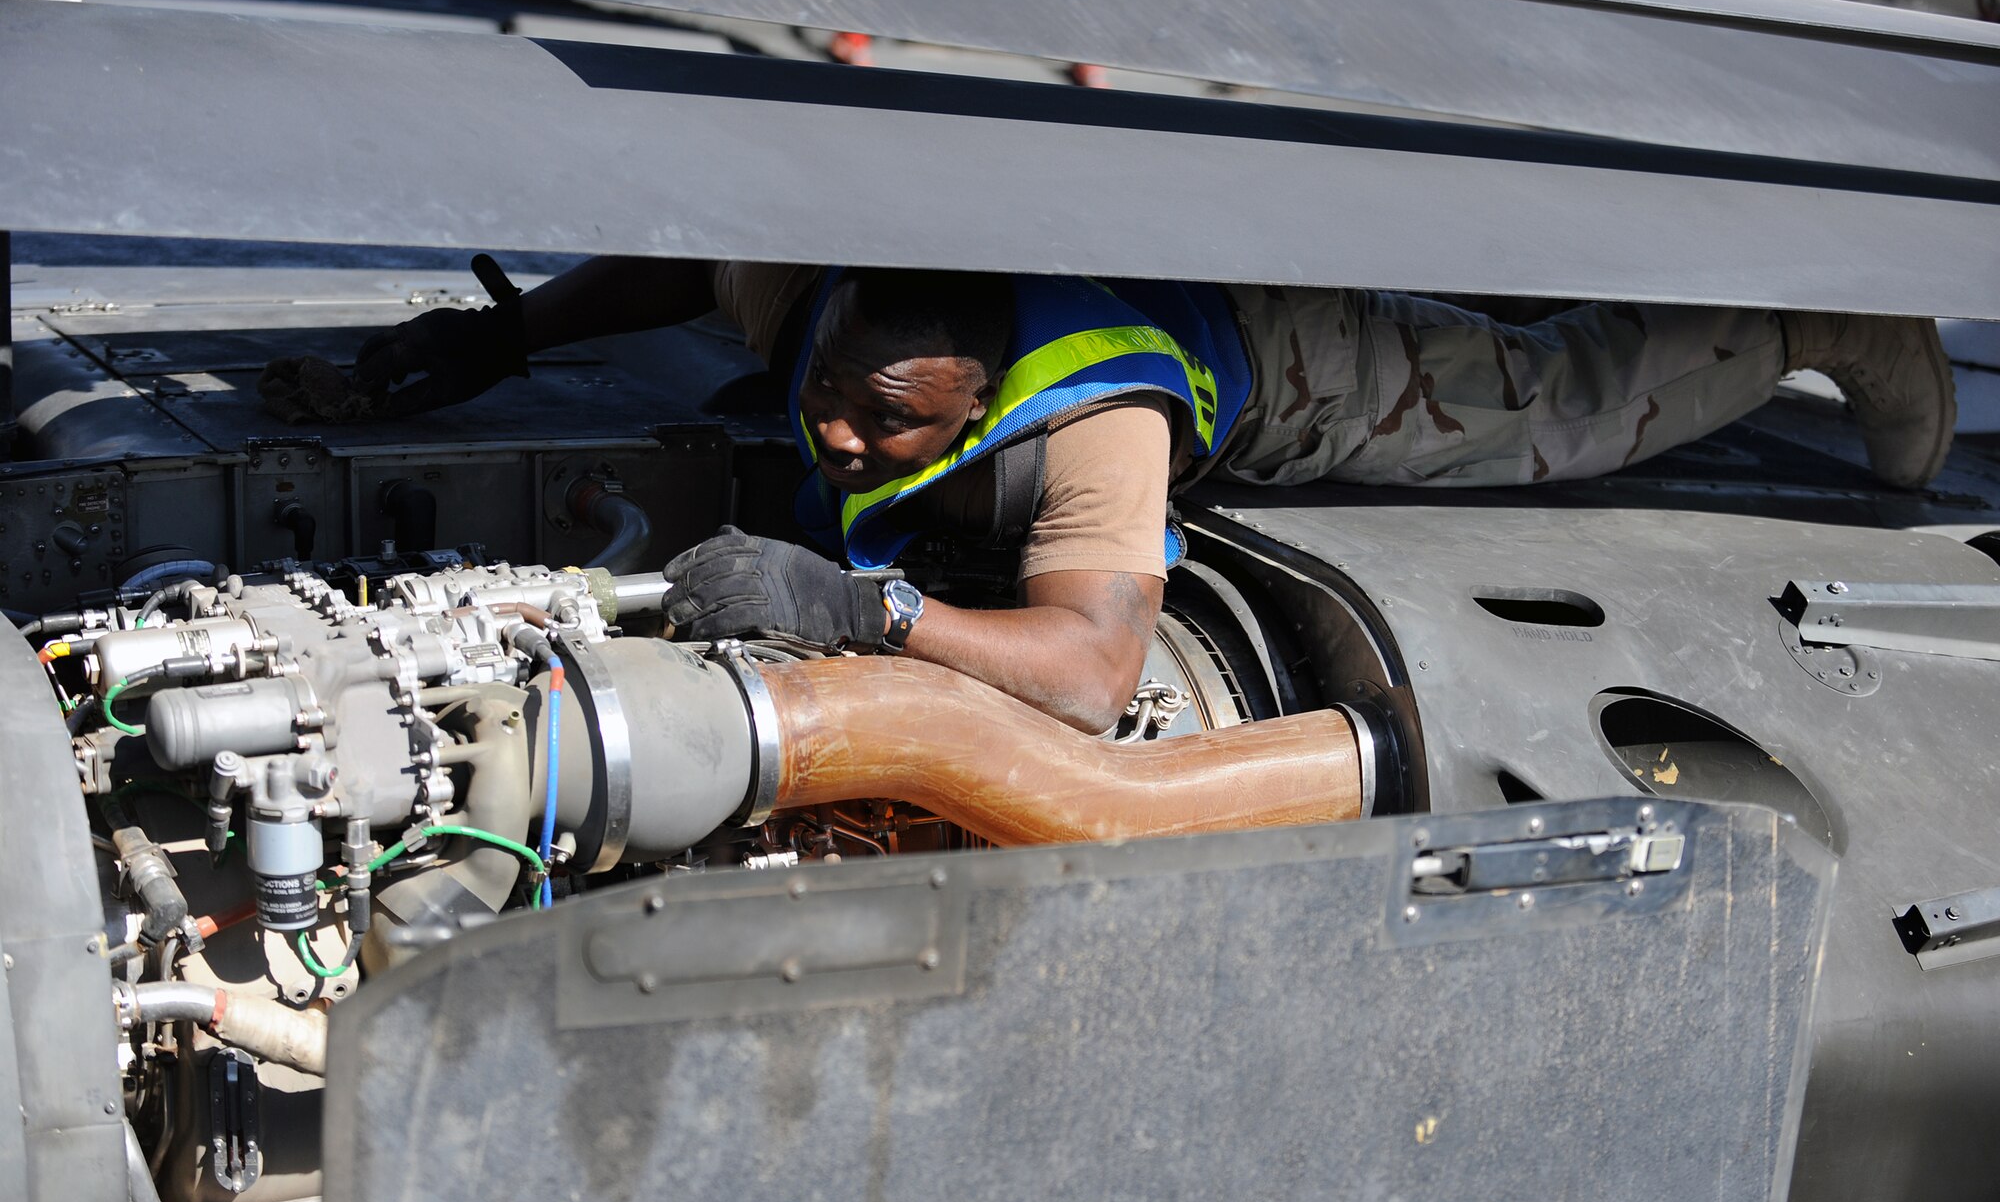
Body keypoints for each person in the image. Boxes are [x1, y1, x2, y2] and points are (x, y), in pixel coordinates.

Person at [352, 257, 1957, 731]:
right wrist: (504, 337)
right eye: (830, 401)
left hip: (1291, 361)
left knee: (1549, 405)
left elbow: (1095, 668)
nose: (838, 441)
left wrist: (868, 605)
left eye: (889, 432)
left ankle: (1824, 321)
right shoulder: (830, 303)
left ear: (979, 400)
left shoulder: (1095, 434)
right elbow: (678, 268)